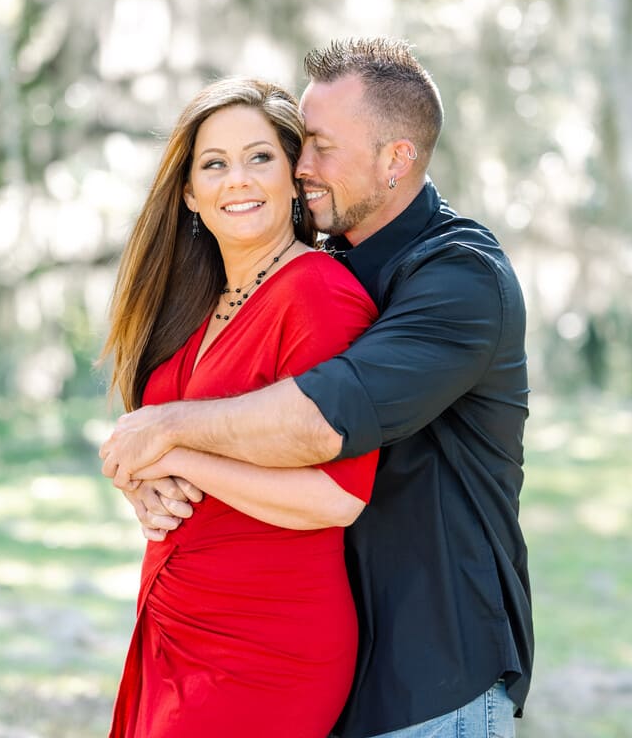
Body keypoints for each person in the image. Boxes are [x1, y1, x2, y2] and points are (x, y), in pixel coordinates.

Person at [101, 38, 533, 738]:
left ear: (396, 160)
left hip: (430, 667)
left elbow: (320, 422)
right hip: (320, 653)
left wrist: (166, 438)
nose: (300, 167)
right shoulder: (331, 262)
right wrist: (143, 463)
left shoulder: (461, 280)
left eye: (319, 147)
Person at [99, 76, 382, 737]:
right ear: (191, 194)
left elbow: (336, 499)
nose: (238, 180)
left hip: (268, 640)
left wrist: (180, 455)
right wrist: (142, 477)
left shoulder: (318, 293)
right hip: (173, 623)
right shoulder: (193, 308)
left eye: (260, 157)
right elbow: (163, 442)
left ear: (294, 177)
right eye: (214, 165)